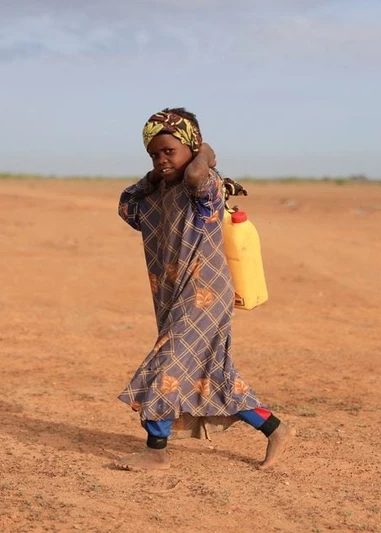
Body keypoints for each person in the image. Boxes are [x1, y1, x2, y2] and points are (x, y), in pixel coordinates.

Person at [115, 107, 293, 471]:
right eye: (154, 153)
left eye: (170, 151)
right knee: (212, 374)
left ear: (193, 148)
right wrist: (158, 173)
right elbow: (127, 206)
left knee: (167, 363)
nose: (162, 160)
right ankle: (275, 428)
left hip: (204, 294)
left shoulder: (205, 189)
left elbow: (197, 171)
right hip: (174, 294)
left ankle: (156, 450)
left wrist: (205, 152)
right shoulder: (157, 194)